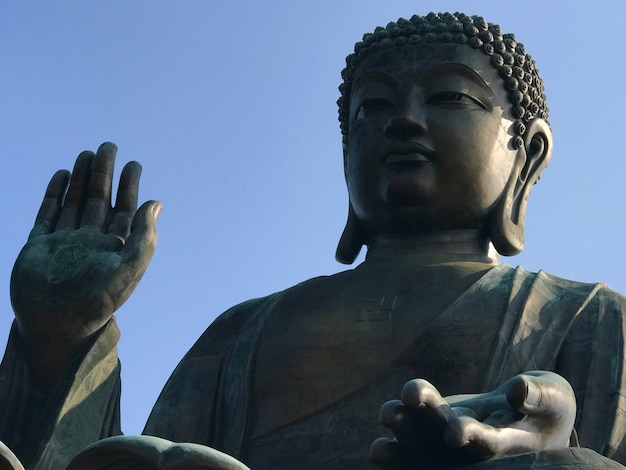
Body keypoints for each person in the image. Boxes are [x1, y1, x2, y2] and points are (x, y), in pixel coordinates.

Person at [2, 11, 626, 470]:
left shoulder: (589, 318)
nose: (403, 120)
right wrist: (58, 341)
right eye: (371, 108)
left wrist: (550, 454)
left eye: (449, 97)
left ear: (528, 151)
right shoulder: (243, 332)